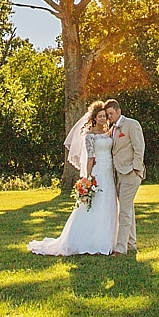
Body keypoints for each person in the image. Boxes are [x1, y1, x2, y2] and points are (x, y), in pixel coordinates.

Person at [27, 101, 118, 256]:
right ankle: (89, 240)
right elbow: (90, 158)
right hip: (99, 171)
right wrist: (88, 178)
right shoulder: (90, 136)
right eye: (100, 116)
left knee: (108, 203)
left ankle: (109, 239)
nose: (103, 119)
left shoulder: (109, 132)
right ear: (94, 118)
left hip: (109, 172)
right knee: (95, 204)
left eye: (105, 116)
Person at [104, 98, 145, 255]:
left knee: (125, 211)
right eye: (108, 115)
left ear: (118, 111)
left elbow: (139, 147)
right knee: (128, 209)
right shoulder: (113, 129)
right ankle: (131, 243)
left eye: (111, 113)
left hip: (130, 173)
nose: (110, 117)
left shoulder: (131, 124)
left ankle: (121, 248)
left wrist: (136, 168)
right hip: (118, 175)